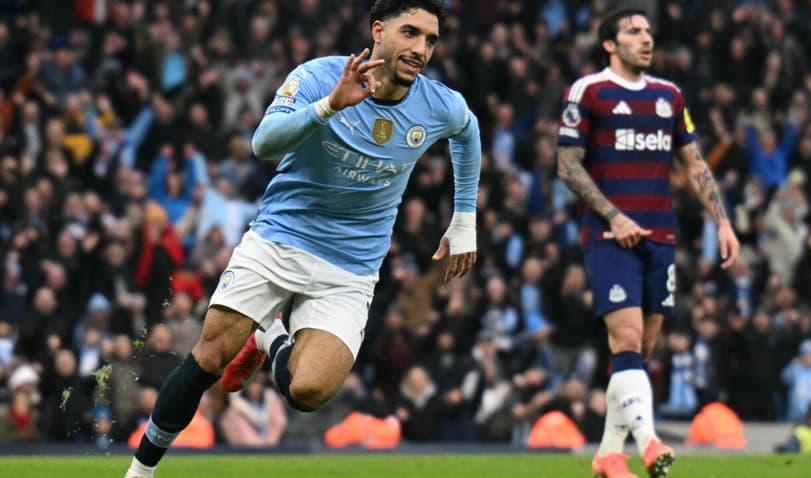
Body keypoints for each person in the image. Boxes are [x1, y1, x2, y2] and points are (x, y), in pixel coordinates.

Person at [124, 1, 481, 476]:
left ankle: (270, 337)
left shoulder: (438, 104)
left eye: (431, 40)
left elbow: (468, 129)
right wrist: (331, 105)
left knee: (308, 393)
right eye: (411, 33)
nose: (421, 49)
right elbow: (263, 144)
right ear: (378, 31)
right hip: (280, 239)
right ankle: (140, 471)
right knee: (209, 358)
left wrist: (464, 219)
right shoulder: (319, 77)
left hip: (351, 267)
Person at [555, 8, 739, 478]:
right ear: (610, 45)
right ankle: (650, 443)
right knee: (628, 337)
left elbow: (694, 164)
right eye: (633, 32)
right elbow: (568, 166)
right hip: (609, 236)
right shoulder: (588, 91)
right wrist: (613, 217)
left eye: (648, 31)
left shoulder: (669, 97)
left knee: (640, 350)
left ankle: (607, 455)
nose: (646, 38)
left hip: (661, 236)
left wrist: (722, 221)